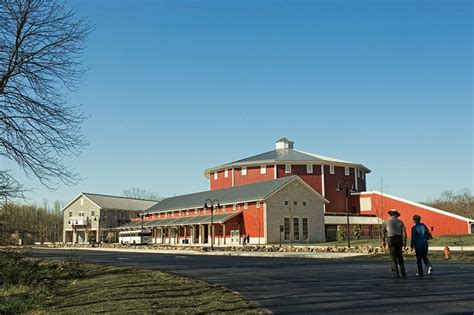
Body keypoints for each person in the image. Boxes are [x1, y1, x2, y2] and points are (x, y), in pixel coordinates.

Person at [382, 209, 408, 278]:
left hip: (391, 239)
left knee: (393, 257)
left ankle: (396, 274)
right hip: (399, 239)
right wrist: (405, 242)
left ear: (391, 214)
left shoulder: (386, 222)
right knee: (400, 256)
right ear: (396, 214)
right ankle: (403, 272)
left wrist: (383, 241)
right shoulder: (400, 222)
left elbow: (383, 233)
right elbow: (404, 233)